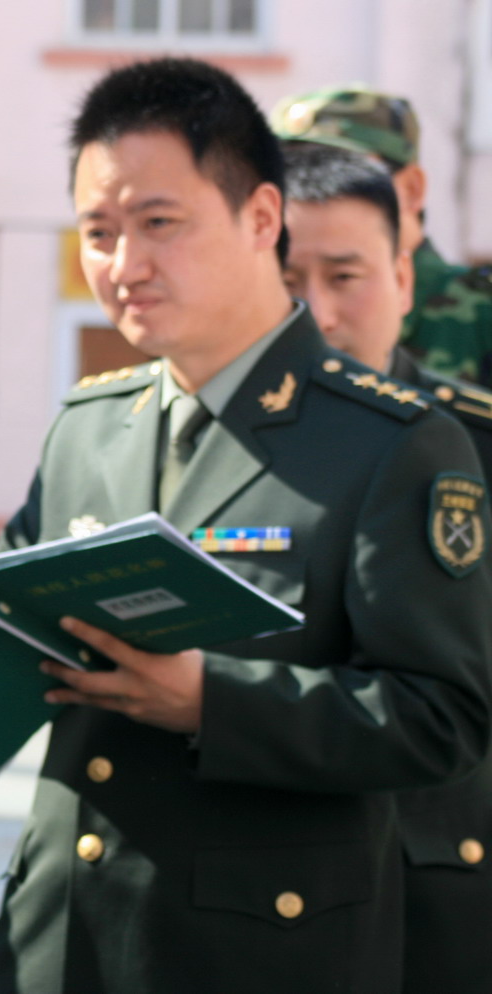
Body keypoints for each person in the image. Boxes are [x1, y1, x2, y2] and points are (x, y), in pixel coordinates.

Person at [0, 57, 492, 994]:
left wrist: (213, 702)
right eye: (98, 233)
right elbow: (6, 627)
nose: (123, 266)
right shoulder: (88, 425)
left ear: (261, 218)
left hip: (261, 952)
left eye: (159, 224)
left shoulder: (393, 443)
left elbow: (443, 720)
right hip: (66, 940)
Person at [280, 139, 492, 993]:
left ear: (404, 277)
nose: (319, 315)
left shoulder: (473, 441)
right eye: (288, 280)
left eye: (346, 276)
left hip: (444, 878)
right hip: (261, 881)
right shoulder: (213, 441)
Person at [271, 85, 492, 386]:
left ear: (412, 188)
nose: (314, 187)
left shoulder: (481, 311)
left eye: (347, 172)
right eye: (290, 172)